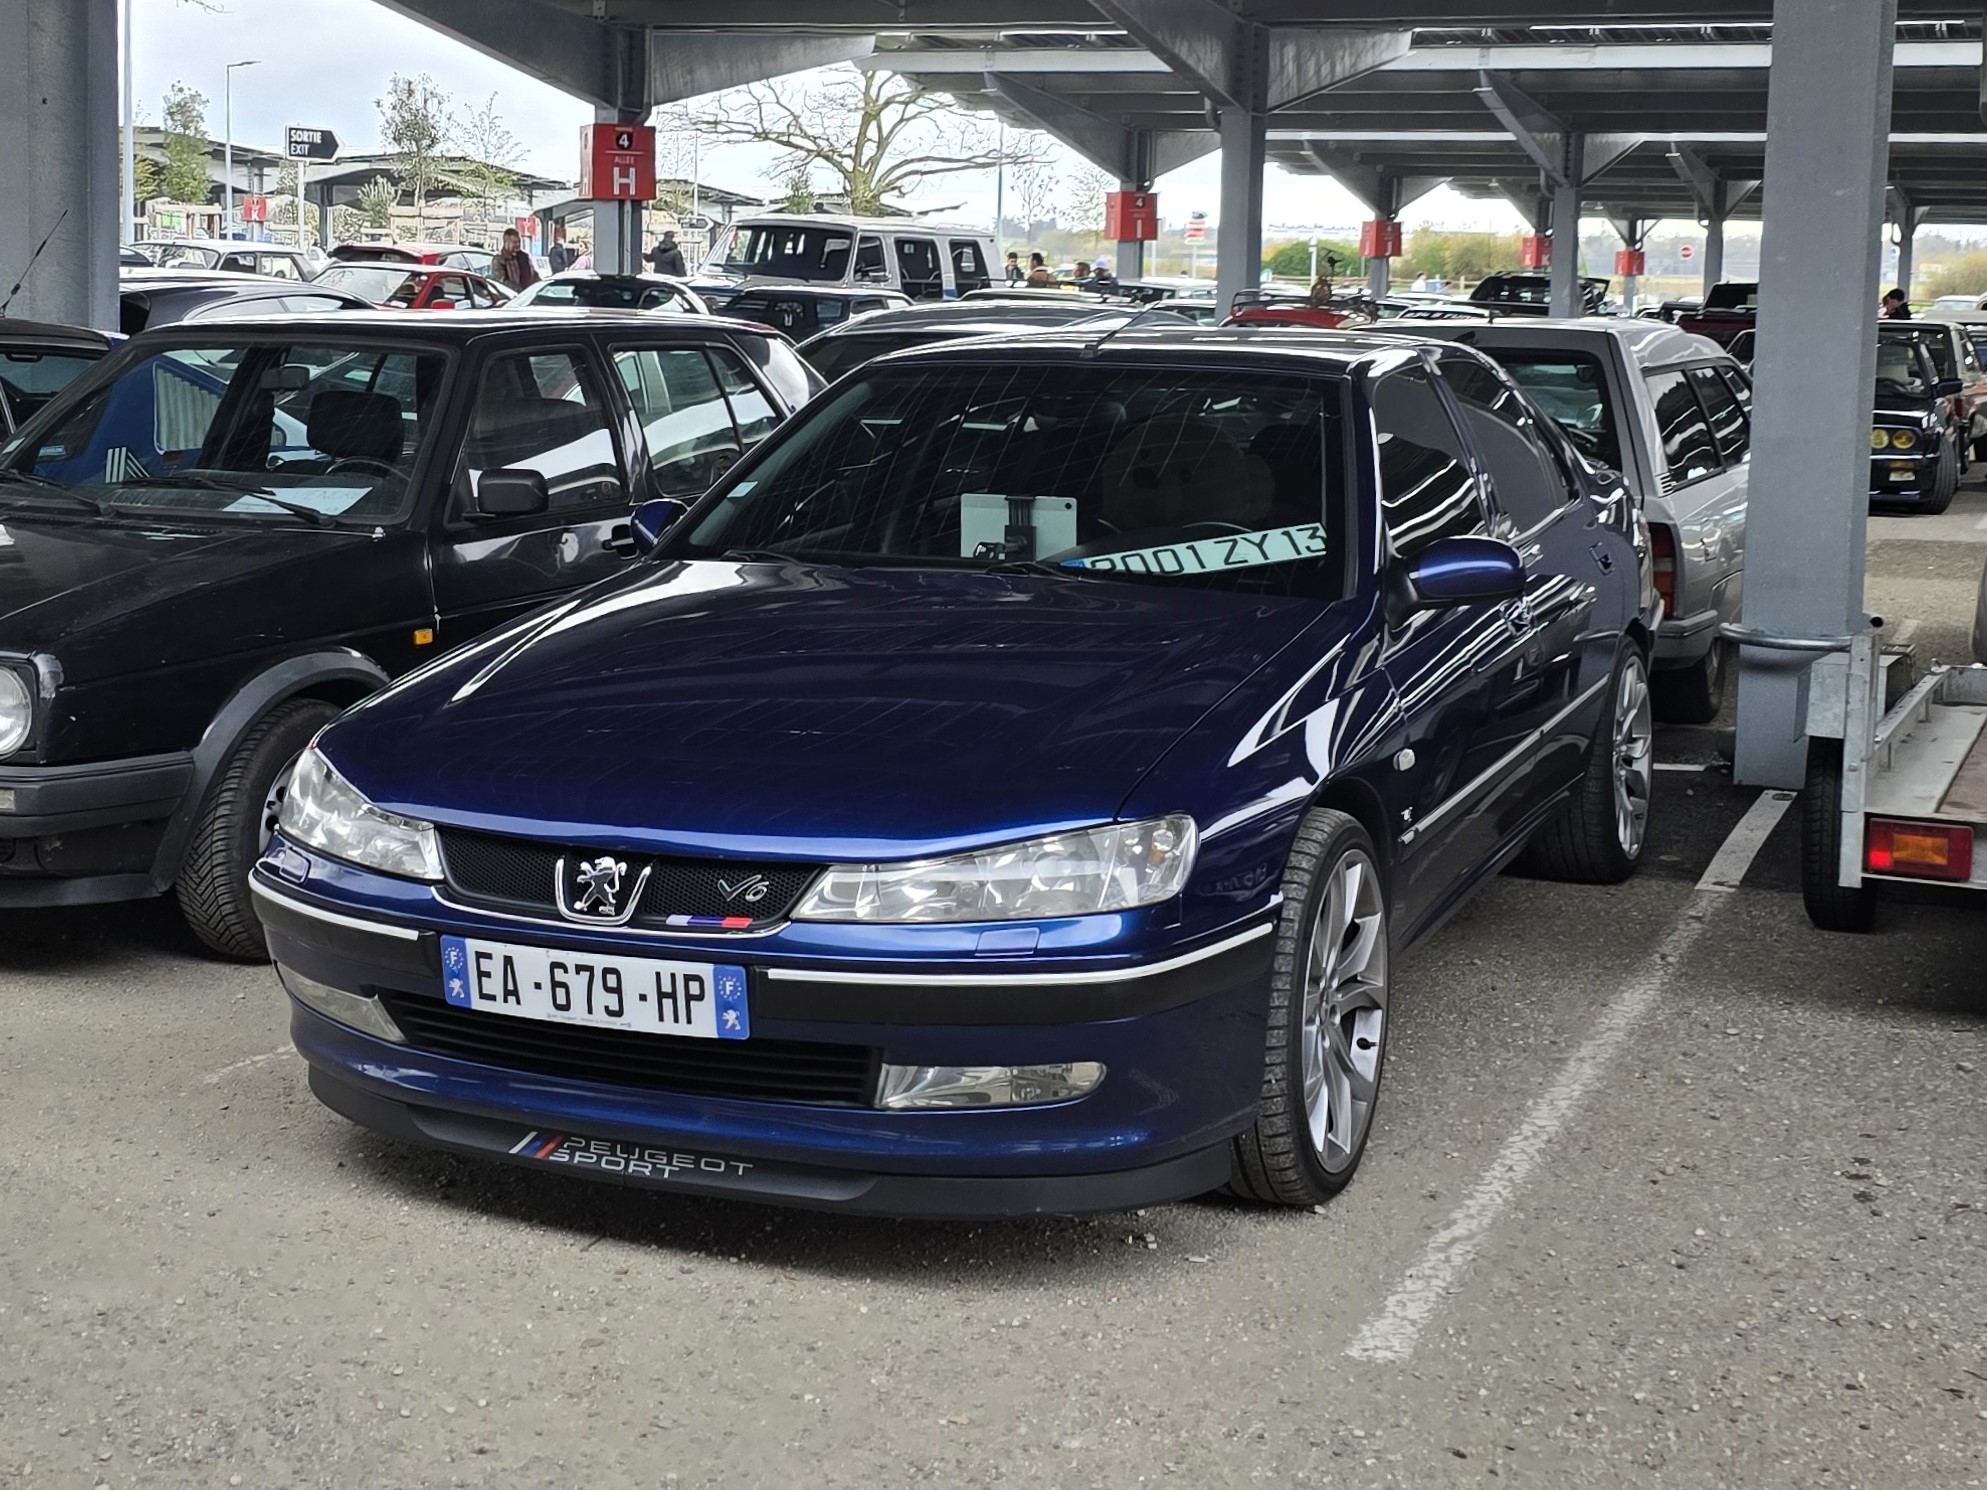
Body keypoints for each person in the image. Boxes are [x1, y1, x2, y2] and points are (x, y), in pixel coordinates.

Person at [492, 227, 537, 293]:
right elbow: (502, 283)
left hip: (528, 296)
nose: (518, 245)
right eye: (515, 242)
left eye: (519, 242)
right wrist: (522, 292)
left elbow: (534, 275)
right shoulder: (499, 260)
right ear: (506, 243)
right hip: (511, 298)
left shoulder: (524, 257)